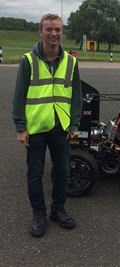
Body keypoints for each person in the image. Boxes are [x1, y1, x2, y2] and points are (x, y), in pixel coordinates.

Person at [12, 13, 82, 237]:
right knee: (35, 173)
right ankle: (39, 213)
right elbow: (19, 96)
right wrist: (20, 127)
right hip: (36, 128)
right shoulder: (28, 60)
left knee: (62, 171)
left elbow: (76, 96)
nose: (54, 34)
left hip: (61, 127)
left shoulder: (71, 62)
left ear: (62, 32)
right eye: (49, 29)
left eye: (58, 30)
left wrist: (74, 124)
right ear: (40, 32)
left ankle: (58, 209)